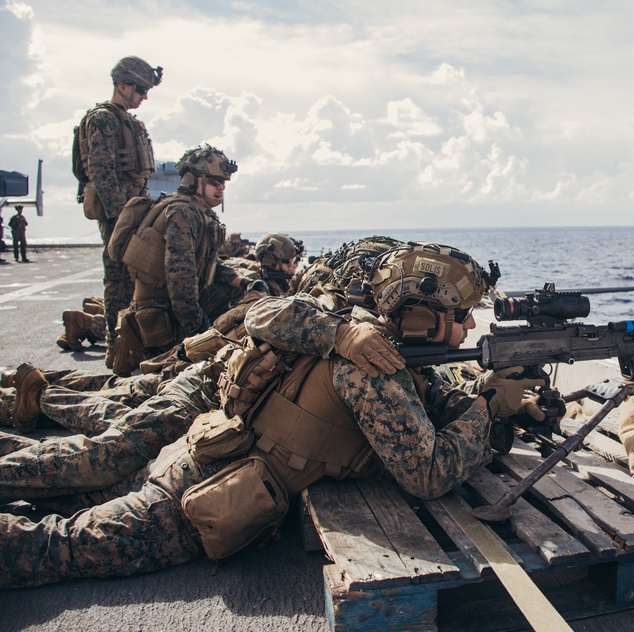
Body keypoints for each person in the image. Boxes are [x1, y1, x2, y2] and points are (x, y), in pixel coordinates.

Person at [0, 242, 543, 588]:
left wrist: (488, 401)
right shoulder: (372, 365)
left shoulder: (369, 338)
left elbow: (426, 401)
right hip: (202, 495)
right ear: (423, 315)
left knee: (70, 499)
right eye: (463, 317)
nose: (471, 329)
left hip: (207, 460)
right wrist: (489, 409)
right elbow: (427, 474)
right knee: (56, 547)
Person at [113, 144, 253, 375]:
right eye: (214, 181)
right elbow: (181, 279)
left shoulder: (197, 211)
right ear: (193, 179)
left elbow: (206, 265)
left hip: (170, 306)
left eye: (223, 184)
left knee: (246, 295)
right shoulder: (182, 213)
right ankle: (146, 353)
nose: (220, 188)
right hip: (162, 313)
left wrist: (243, 282)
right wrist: (198, 330)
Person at [76, 56, 162, 367]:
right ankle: (116, 346)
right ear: (122, 85)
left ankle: (130, 340)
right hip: (119, 213)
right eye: (140, 89)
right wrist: (119, 216)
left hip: (134, 208)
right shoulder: (103, 119)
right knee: (118, 279)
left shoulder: (128, 120)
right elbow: (101, 172)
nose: (144, 96)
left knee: (135, 277)